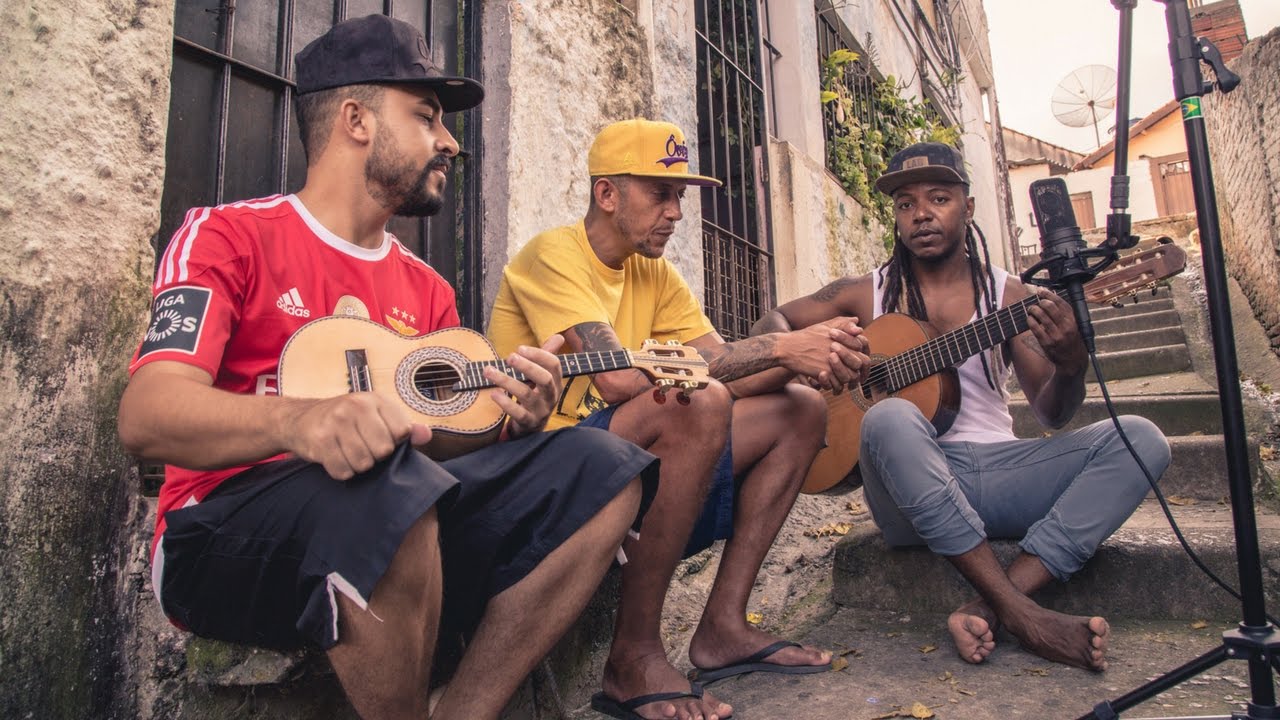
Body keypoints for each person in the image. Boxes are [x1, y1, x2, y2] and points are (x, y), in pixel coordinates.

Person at [116, 16, 659, 720]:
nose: (450, 142)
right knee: (387, 483)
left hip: (396, 516)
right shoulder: (226, 236)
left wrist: (515, 421)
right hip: (220, 537)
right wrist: (301, 422)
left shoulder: (426, 289)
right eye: (427, 117)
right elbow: (147, 414)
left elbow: (441, 446)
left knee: (603, 467)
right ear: (356, 120)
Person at [487, 118, 871, 720]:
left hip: (627, 453)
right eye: (660, 194)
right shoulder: (554, 255)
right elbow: (619, 380)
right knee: (700, 403)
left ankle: (723, 626)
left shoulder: (655, 272)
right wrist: (781, 347)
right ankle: (632, 657)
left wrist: (810, 359)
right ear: (607, 193)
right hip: (549, 469)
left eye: (680, 197)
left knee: (800, 409)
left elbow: (724, 365)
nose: (676, 213)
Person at [752, 142, 1171, 672]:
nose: (921, 213)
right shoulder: (864, 294)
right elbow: (773, 323)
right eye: (906, 204)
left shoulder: (1010, 295)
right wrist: (802, 359)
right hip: (905, 493)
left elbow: (1051, 414)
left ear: (968, 207)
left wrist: (1070, 364)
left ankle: (991, 606)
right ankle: (1024, 615)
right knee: (888, 416)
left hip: (997, 474)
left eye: (939, 198)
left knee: (1141, 439)